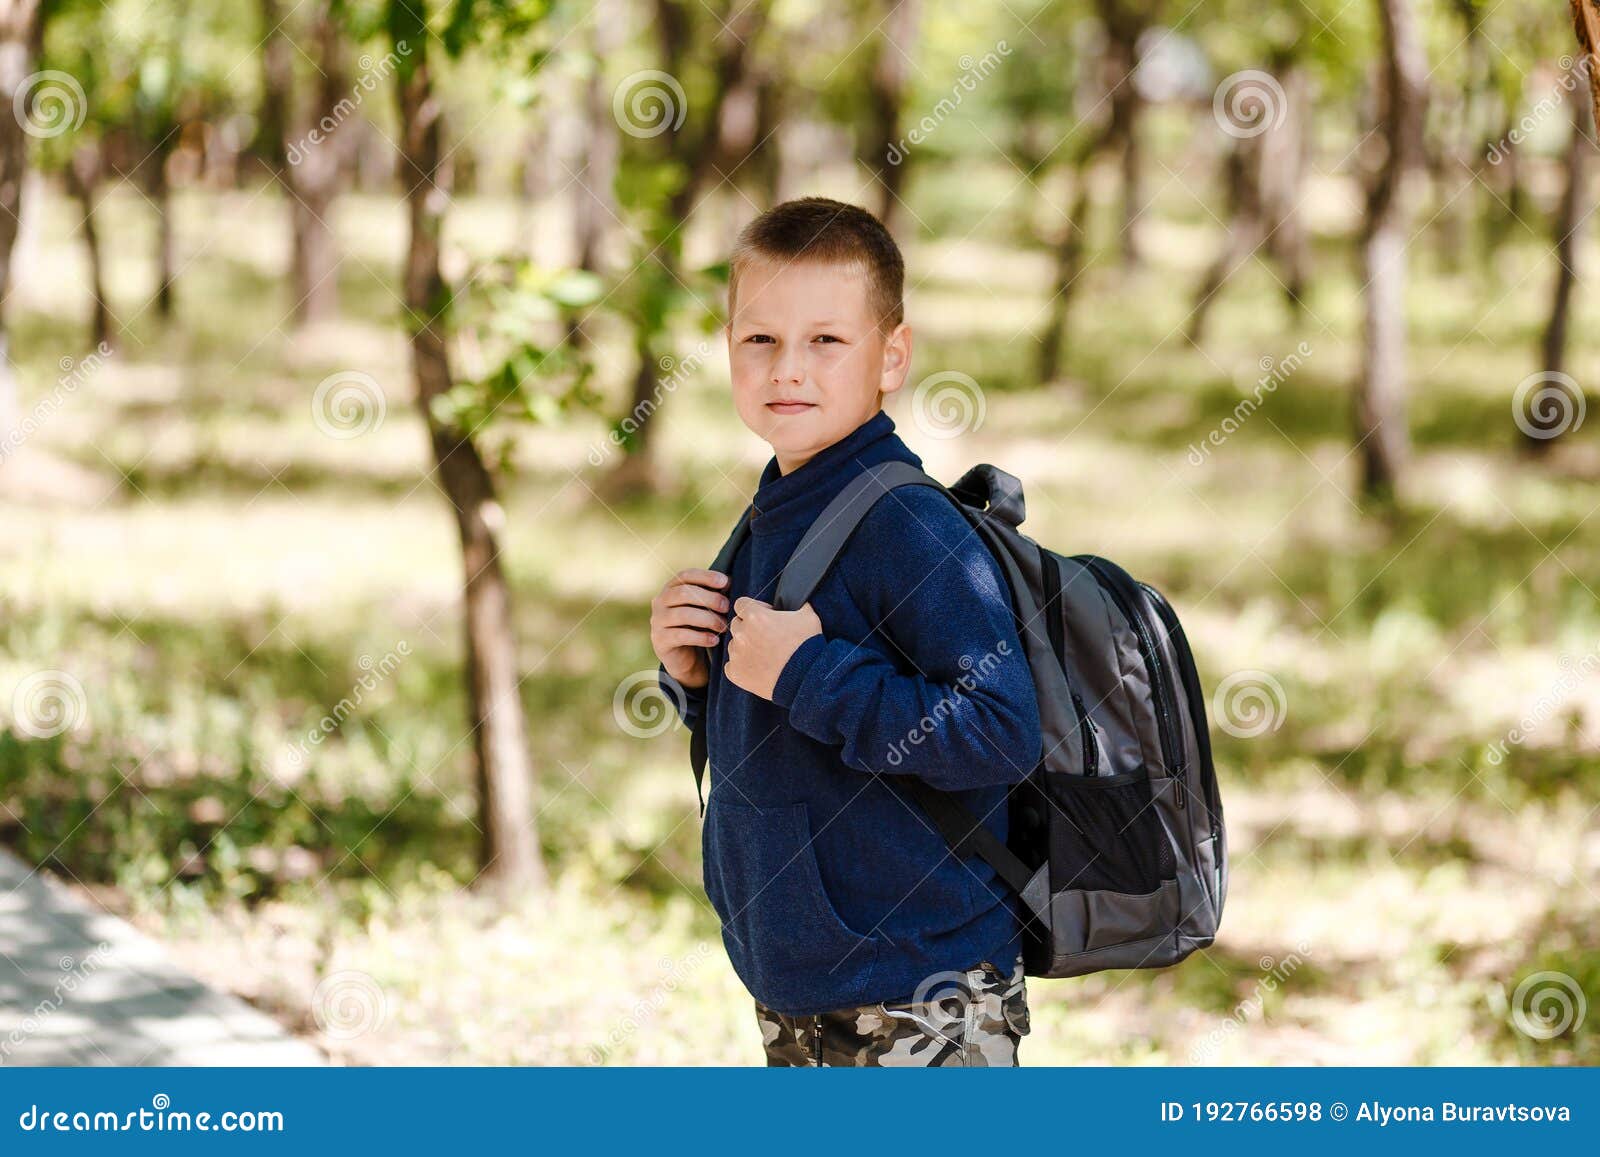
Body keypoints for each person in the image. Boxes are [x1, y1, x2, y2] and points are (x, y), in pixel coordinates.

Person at [650, 197, 1041, 1066]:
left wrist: (807, 675)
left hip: (920, 997)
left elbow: (1003, 730)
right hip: (807, 983)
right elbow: (780, 729)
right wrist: (695, 678)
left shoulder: (907, 523)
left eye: (826, 341)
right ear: (728, 351)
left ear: (890, 356)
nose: (789, 369)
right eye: (761, 340)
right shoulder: (774, 509)